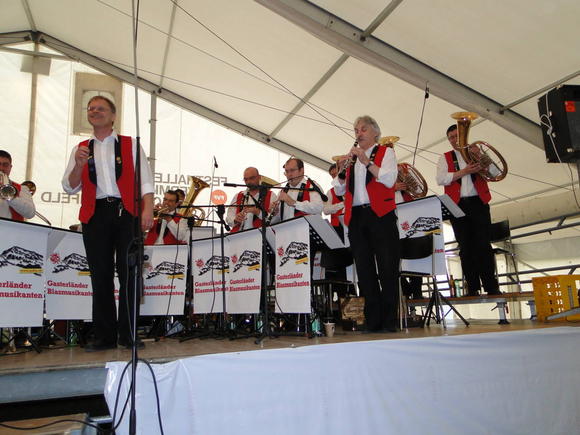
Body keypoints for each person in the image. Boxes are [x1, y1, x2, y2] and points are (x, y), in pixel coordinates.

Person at [62, 95, 154, 352]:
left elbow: (145, 180)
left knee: (130, 273)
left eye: (101, 108)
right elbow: (70, 186)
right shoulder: (81, 148)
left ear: (113, 116)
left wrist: (147, 209)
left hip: (127, 212)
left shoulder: (130, 144)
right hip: (96, 214)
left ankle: (128, 335)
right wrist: (79, 165)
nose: (95, 111)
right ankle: (104, 336)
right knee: (100, 275)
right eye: (91, 108)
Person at [333, 115, 400, 333]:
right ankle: (373, 320)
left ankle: (389, 321)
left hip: (380, 215)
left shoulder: (386, 152)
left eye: (363, 129)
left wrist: (367, 161)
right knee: (364, 270)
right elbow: (339, 190)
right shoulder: (352, 160)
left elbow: (389, 179)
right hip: (357, 217)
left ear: (375, 132)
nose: (358, 133)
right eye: (356, 130)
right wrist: (341, 173)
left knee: (387, 268)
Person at [436, 124, 500, 296]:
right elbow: (441, 179)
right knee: (465, 246)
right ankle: (472, 287)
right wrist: (464, 171)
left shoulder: (476, 152)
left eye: (457, 135)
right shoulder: (445, 157)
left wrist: (481, 157)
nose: (454, 139)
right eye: (451, 137)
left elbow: (495, 173)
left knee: (483, 244)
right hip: (457, 204)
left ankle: (491, 286)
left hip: (478, 202)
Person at [394, 169, 423, 300]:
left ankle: (417, 292)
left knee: (415, 256)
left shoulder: (403, 172)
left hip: (410, 218)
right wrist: (393, 188)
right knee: (394, 260)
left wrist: (407, 178)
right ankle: (405, 291)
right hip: (391, 220)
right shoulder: (379, 176)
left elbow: (419, 191)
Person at [269, 158, 324, 223]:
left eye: (292, 170)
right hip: (287, 228)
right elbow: (275, 221)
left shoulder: (312, 186)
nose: (289, 174)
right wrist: (275, 213)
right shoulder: (282, 192)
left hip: (307, 228)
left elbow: (318, 208)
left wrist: (294, 203)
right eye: (287, 171)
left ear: (302, 170)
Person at [226, 167, 276, 232]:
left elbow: (275, 220)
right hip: (239, 235)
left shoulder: (271, 195)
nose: (249, 182)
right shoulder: (238, 196)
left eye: (252, 178)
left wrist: (258, 213)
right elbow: (229, 218)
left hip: (260, 235)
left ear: (259, 177)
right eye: (246, 179)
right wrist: (236, 220)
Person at [0, 150, 35, 221]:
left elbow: (30, 213)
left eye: (5, 165)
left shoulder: (21, 188)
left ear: (10, 167)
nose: (1, 168)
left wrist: (9, 195)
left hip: (10, 228)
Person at [323, 163, 345, 241]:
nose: (334, 176)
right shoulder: (330, 192)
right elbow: (325, 210)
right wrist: (342, 204)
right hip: (337, 227)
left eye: (336, 173)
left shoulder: (351, 187)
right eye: (332, 175)